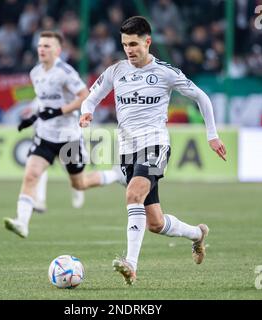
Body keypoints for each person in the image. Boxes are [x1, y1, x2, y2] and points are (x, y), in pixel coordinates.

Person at [79, 16, 226, 285]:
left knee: (133, 192)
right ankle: (197, 234)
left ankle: (130, 265)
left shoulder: (165, 72)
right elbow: (91, 97)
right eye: (125, 44)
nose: (129, 50)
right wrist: (86, 113)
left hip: (155, 144)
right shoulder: (116, 71)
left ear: (148, 42)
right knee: (155, 223)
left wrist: (212, 135)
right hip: (127, 149)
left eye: (134, 44)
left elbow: (201, 97)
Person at [4, 31, 125, 238]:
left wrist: (59, 111)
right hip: (45, 136)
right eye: (40, 46)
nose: (42, 49)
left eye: (47, 46)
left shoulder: (65, 72)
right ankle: (22, 222)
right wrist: (33, 118)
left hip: (69, 138)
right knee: (31, 174)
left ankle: (116, 174)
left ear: (58, 50)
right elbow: (44, 102)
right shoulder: (35, 73)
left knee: (79, 184)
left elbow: (84, 96)